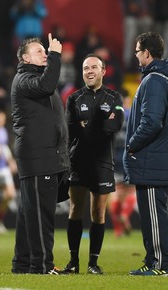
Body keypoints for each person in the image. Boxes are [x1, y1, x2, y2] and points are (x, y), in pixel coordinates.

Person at [123, 32, 168, 276]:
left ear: (147, 53)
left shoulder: (155, 80)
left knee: (154, 216)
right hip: (156, 158)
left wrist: (131, 145)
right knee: (151, 216)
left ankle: (162, 264)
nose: (136, 55)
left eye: (137, 51)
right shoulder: (164, 78)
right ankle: (153, 260)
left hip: (152, 159)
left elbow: (152, 122)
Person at [10, 34, 70, 275]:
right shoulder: (24, 78)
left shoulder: (35, 79)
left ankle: (23, 264)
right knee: (41, 216)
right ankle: (42, 265)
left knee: (29, 214)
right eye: (39, 52)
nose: (45, 54)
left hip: (45, 155)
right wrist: (56, 56)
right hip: (37, 156)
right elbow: (47, 85)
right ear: (25, 58)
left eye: (45, 52)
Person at [60, 54, 124, 275]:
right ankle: (73, 262)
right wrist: (98, 123)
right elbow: (71, 129)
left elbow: (114, 125)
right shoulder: (73, 98)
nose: (89, 71)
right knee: (76, 208)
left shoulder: (115, 97)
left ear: (103, 71)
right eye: (86, 67)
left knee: (98, 211)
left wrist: (87, 124)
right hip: (78, 160)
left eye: (94, 67)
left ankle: (93, 264)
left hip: (103, 161)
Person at [109, 89, 136, 238]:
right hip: (129, 157)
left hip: (115, 157)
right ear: (128, 100)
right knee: (131, 190)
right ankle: (125, 215)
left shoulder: (112, 114)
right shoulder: (133, 113)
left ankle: (117, 229)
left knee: (115, 194)